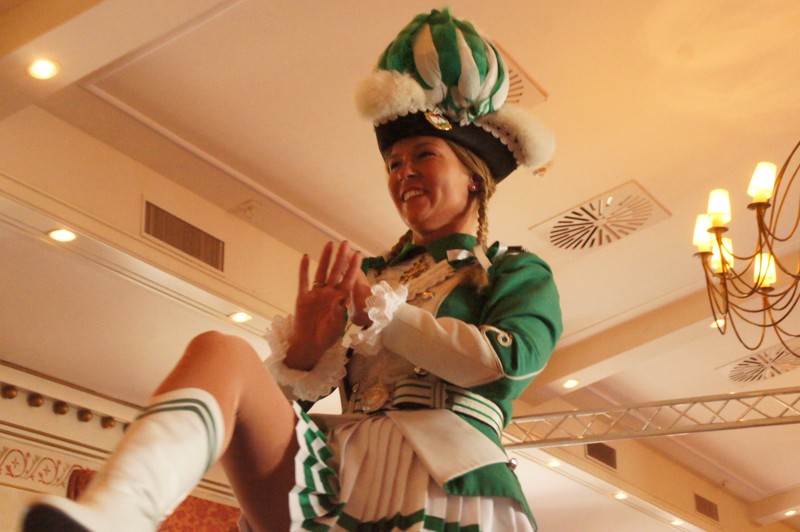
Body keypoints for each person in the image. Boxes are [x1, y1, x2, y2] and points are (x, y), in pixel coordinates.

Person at [23, 8, 562, 532]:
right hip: (341, 471)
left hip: (444, 480)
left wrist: (380, 313)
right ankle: (118, 510)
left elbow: (502, 368)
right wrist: (304, 351)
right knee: (224, 353)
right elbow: (261, 415)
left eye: (424, 155)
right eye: (393, 163)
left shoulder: (514, 271)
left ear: (473, 176)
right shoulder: (370, 276)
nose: (404, 174)